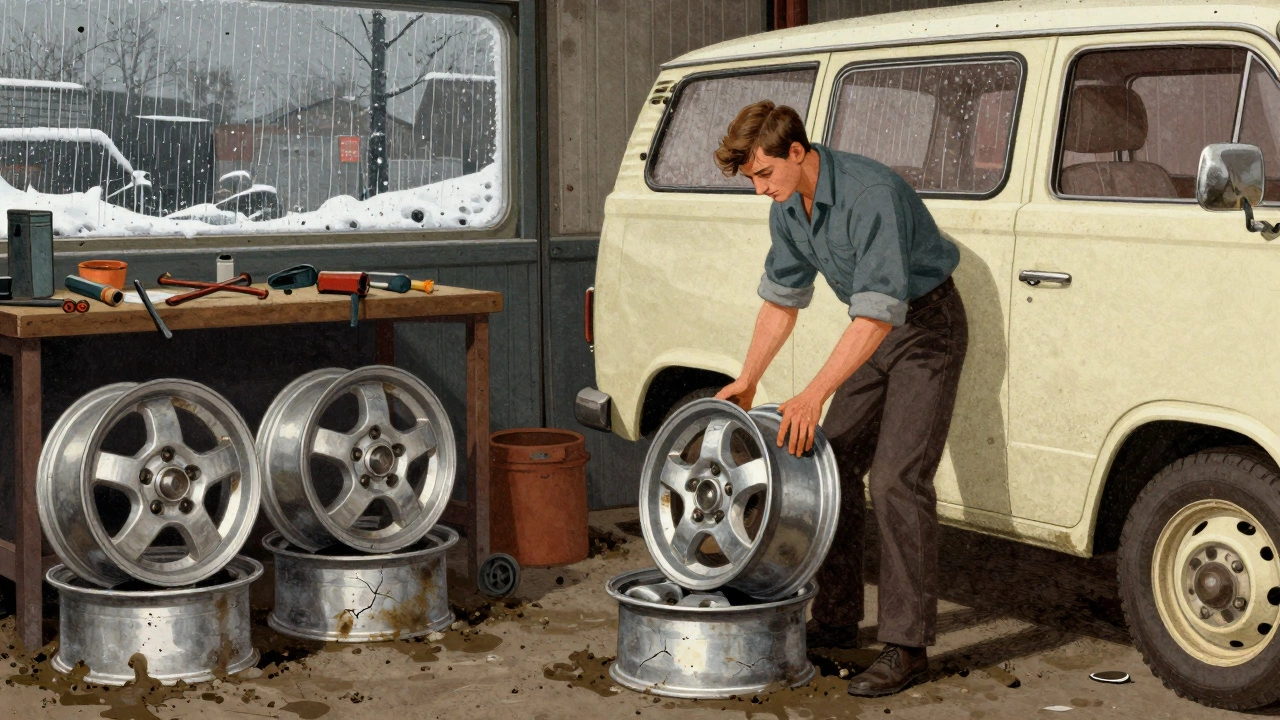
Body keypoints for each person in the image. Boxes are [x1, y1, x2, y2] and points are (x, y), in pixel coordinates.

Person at [713, 100, 968, 698]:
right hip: (874, 330)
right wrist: (750, 378)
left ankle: (907, 647)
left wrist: (812, 393)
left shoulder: (868, 191)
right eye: (751, 179)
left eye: (765, 174)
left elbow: (881, 312)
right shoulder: (787, 205)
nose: (759, 190)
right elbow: (782, 298)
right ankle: (835, 620)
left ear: (797, 152)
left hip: (926, 328)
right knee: (831, 463)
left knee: (896, 481)